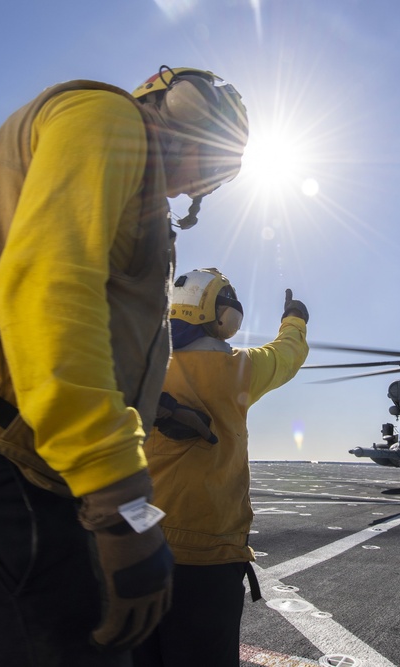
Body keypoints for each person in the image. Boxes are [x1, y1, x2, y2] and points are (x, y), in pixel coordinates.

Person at [0, 66, 249, 666]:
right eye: (209, 156)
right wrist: (122, 505)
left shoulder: (119, 165)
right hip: (2, 481)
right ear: (175, 106)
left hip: (13, 475)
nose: (191, 182)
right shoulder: (110, 121)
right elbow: (49, 291)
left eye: (212, 175)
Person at [132, 268, 309, 667]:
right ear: (222, 313)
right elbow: (287, 354)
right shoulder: (239, 368)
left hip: (138, 549)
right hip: (207, 562)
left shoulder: (141, 369)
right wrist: (295, 319)